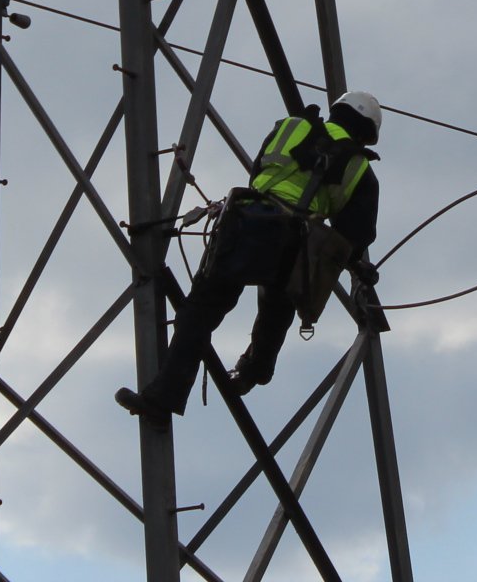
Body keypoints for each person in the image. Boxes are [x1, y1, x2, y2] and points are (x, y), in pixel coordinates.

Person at [116, 92, 383, 418]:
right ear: (366, 133)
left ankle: (162, 398)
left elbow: (259, 169)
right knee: (277, 308)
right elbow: (354, 235)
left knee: (201, 311)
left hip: (247, 222)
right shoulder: (359, 168)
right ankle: (255, 369)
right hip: (295, 241)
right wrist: (355, 264)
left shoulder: (292, 126)